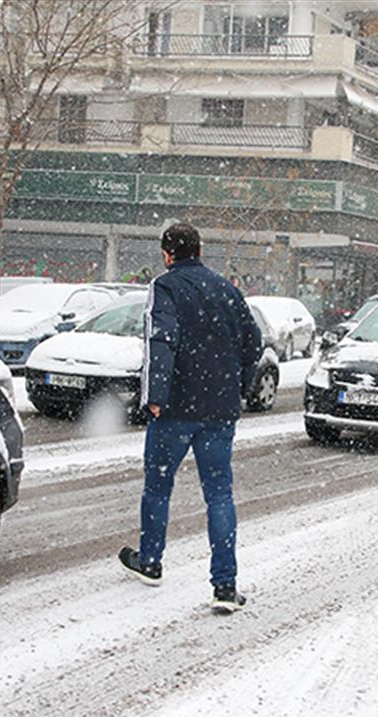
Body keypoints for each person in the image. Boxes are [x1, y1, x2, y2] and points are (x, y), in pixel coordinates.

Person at [118, 223, 262, 613]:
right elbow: (254, 343)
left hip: (175, 410)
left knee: (158, 487)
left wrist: (154, 398)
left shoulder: (165, 287)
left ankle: (150, 560)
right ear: (199, 251)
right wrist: (238, 389)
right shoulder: (228, 290)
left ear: (168, 254)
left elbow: (159, 341)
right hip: (219, 411)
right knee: (219, 494)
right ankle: (225, 586)